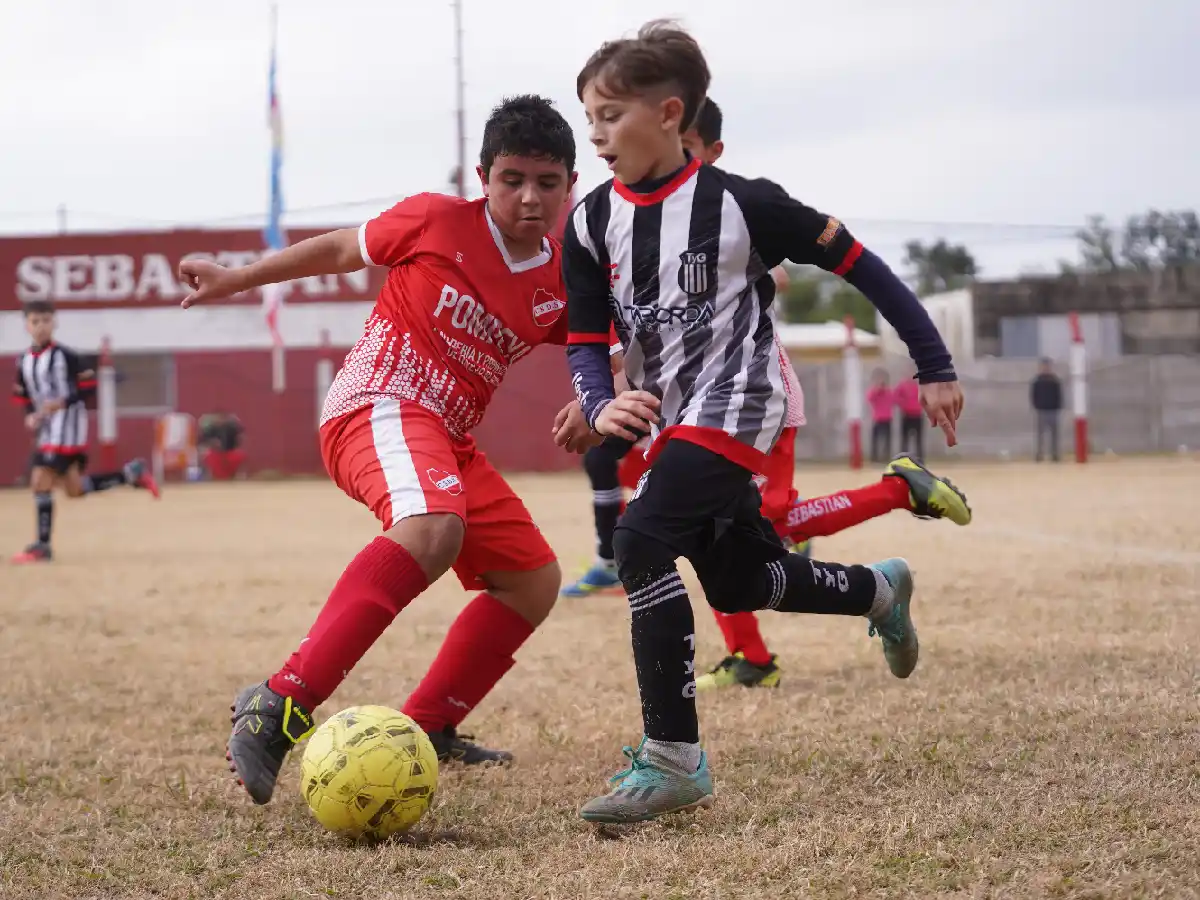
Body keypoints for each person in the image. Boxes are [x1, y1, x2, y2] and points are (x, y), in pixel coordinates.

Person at [561, 20, 965, 824]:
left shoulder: (745, 204)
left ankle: (674, 759)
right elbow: (583, 337)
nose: (596, 134)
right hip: (673, 415)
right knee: (740, 579)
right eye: (590, 117)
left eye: (610, 115)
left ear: (669, 114)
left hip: (742, 401)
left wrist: (934, 364)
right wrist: (599, 400)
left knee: (639, 541)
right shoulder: (589, 221)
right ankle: (878, 590)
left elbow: (862, 266)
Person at [178, 95, 582, 805]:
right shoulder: (436, 219)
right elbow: (341, 249)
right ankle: (280, 702)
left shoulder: (561, 280)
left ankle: (429, 725)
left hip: (447, 438)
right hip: (377, 403)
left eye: (547, 183)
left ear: (570, 185)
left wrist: (601, 396)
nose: (529, 197)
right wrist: (237, 279)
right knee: (431, 528)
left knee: (532, 580)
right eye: (512, 179)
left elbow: (605, 348)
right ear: (484, 177)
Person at [10, 300, 160, 564]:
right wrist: (31, 415)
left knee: (39, 480)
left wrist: (62, 403)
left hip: (68, 428)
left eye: (46, 320)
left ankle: (42, 547)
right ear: (27, 326)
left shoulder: (67, 356)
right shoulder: (23, 361)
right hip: (47, 431)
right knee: (74, 489)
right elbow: (24, 397)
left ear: (54, 322)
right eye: (35, 321)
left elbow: (88, 388)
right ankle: (130, 474)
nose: (41, 326)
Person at [1030, 357, 1063, 462]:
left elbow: (1058, 395)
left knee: (1054, 434)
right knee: (1041, 434)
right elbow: (1034, 395)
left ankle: (1054, 454)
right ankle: (1040, 454)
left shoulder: (1054, 381)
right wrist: (1036, 406)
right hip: (1041, 410)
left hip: (1053, 410)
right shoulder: (1037, 381)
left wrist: (1057, 406)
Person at [894, 365, 925, 461]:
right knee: (905, 439)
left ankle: (920, 459)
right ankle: (903, 459)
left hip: (918, 415)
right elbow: (896, 397)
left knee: (918, 439)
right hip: (906, 415)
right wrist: (904, 404)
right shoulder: (902, 385)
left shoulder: (920, 385)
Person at [867, 369, 894, 463]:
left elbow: (893, 400)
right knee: (875, 439)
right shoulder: (874, 391)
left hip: (887, 418)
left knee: (887, 440)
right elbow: (870, 398)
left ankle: (886, 457)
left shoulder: (889, 391)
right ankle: (874, 458)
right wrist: (877, 389)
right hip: (877, 418)